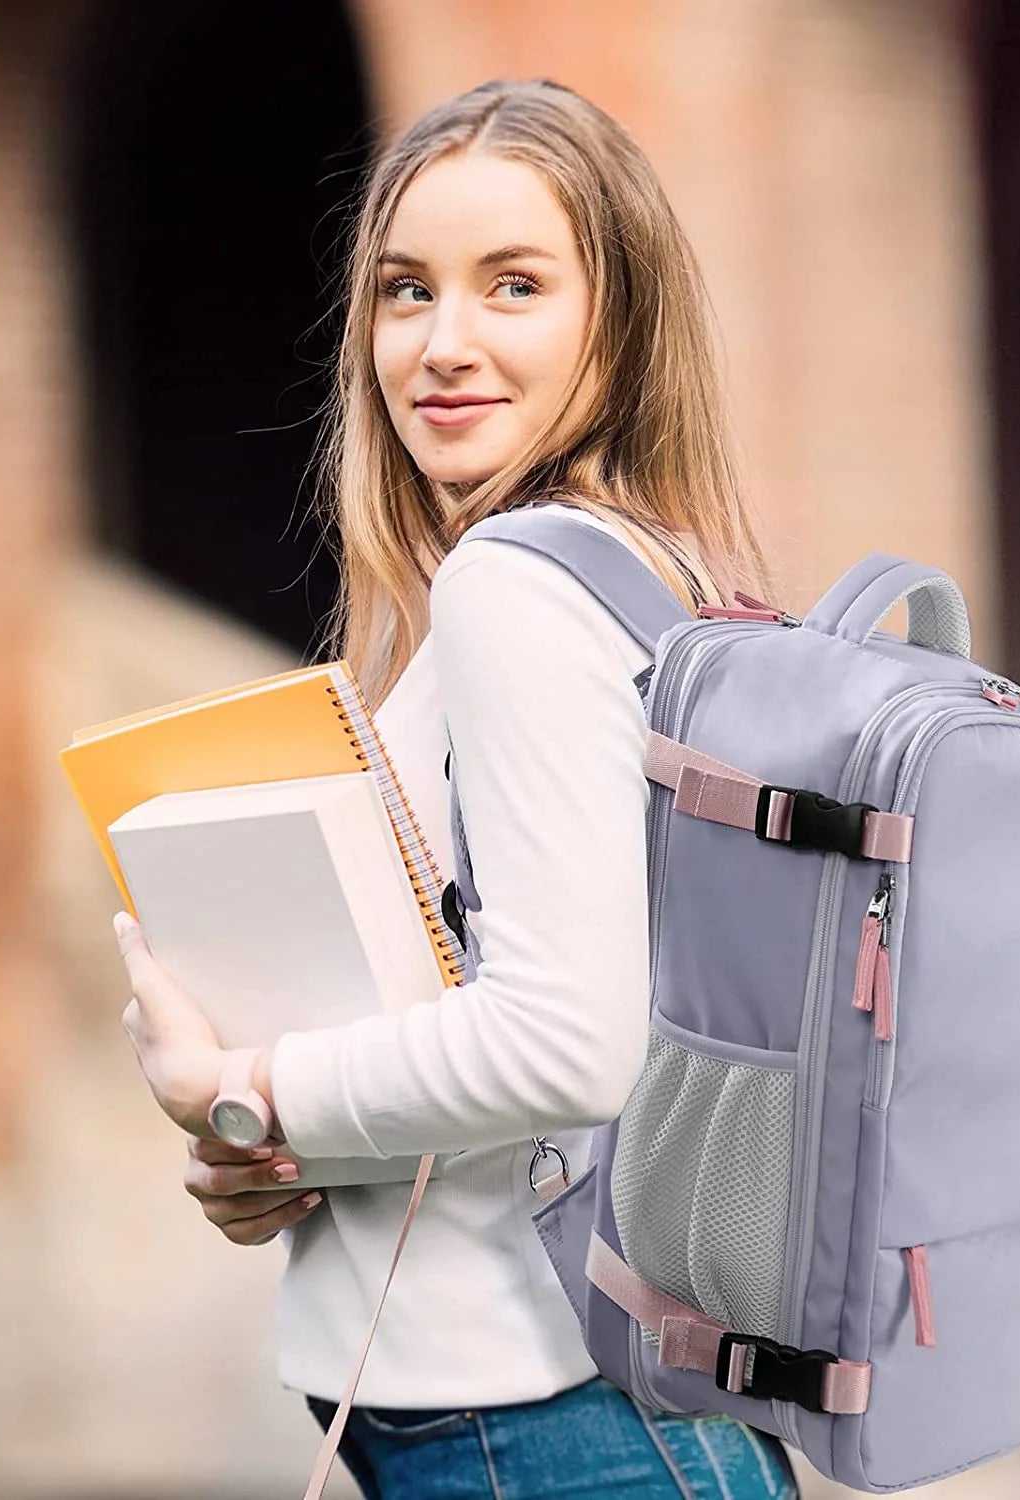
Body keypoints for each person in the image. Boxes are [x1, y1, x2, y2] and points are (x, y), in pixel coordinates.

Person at [114, 77, 794, 1498]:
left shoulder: (518, 589)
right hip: (576, 1421)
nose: (444, 344)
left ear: (620, 318)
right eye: (406, 291)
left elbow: (567, 1046)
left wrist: (249, 1090)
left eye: (516, 285)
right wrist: (281, 1156)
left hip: (553, 1425)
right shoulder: (646, 578)